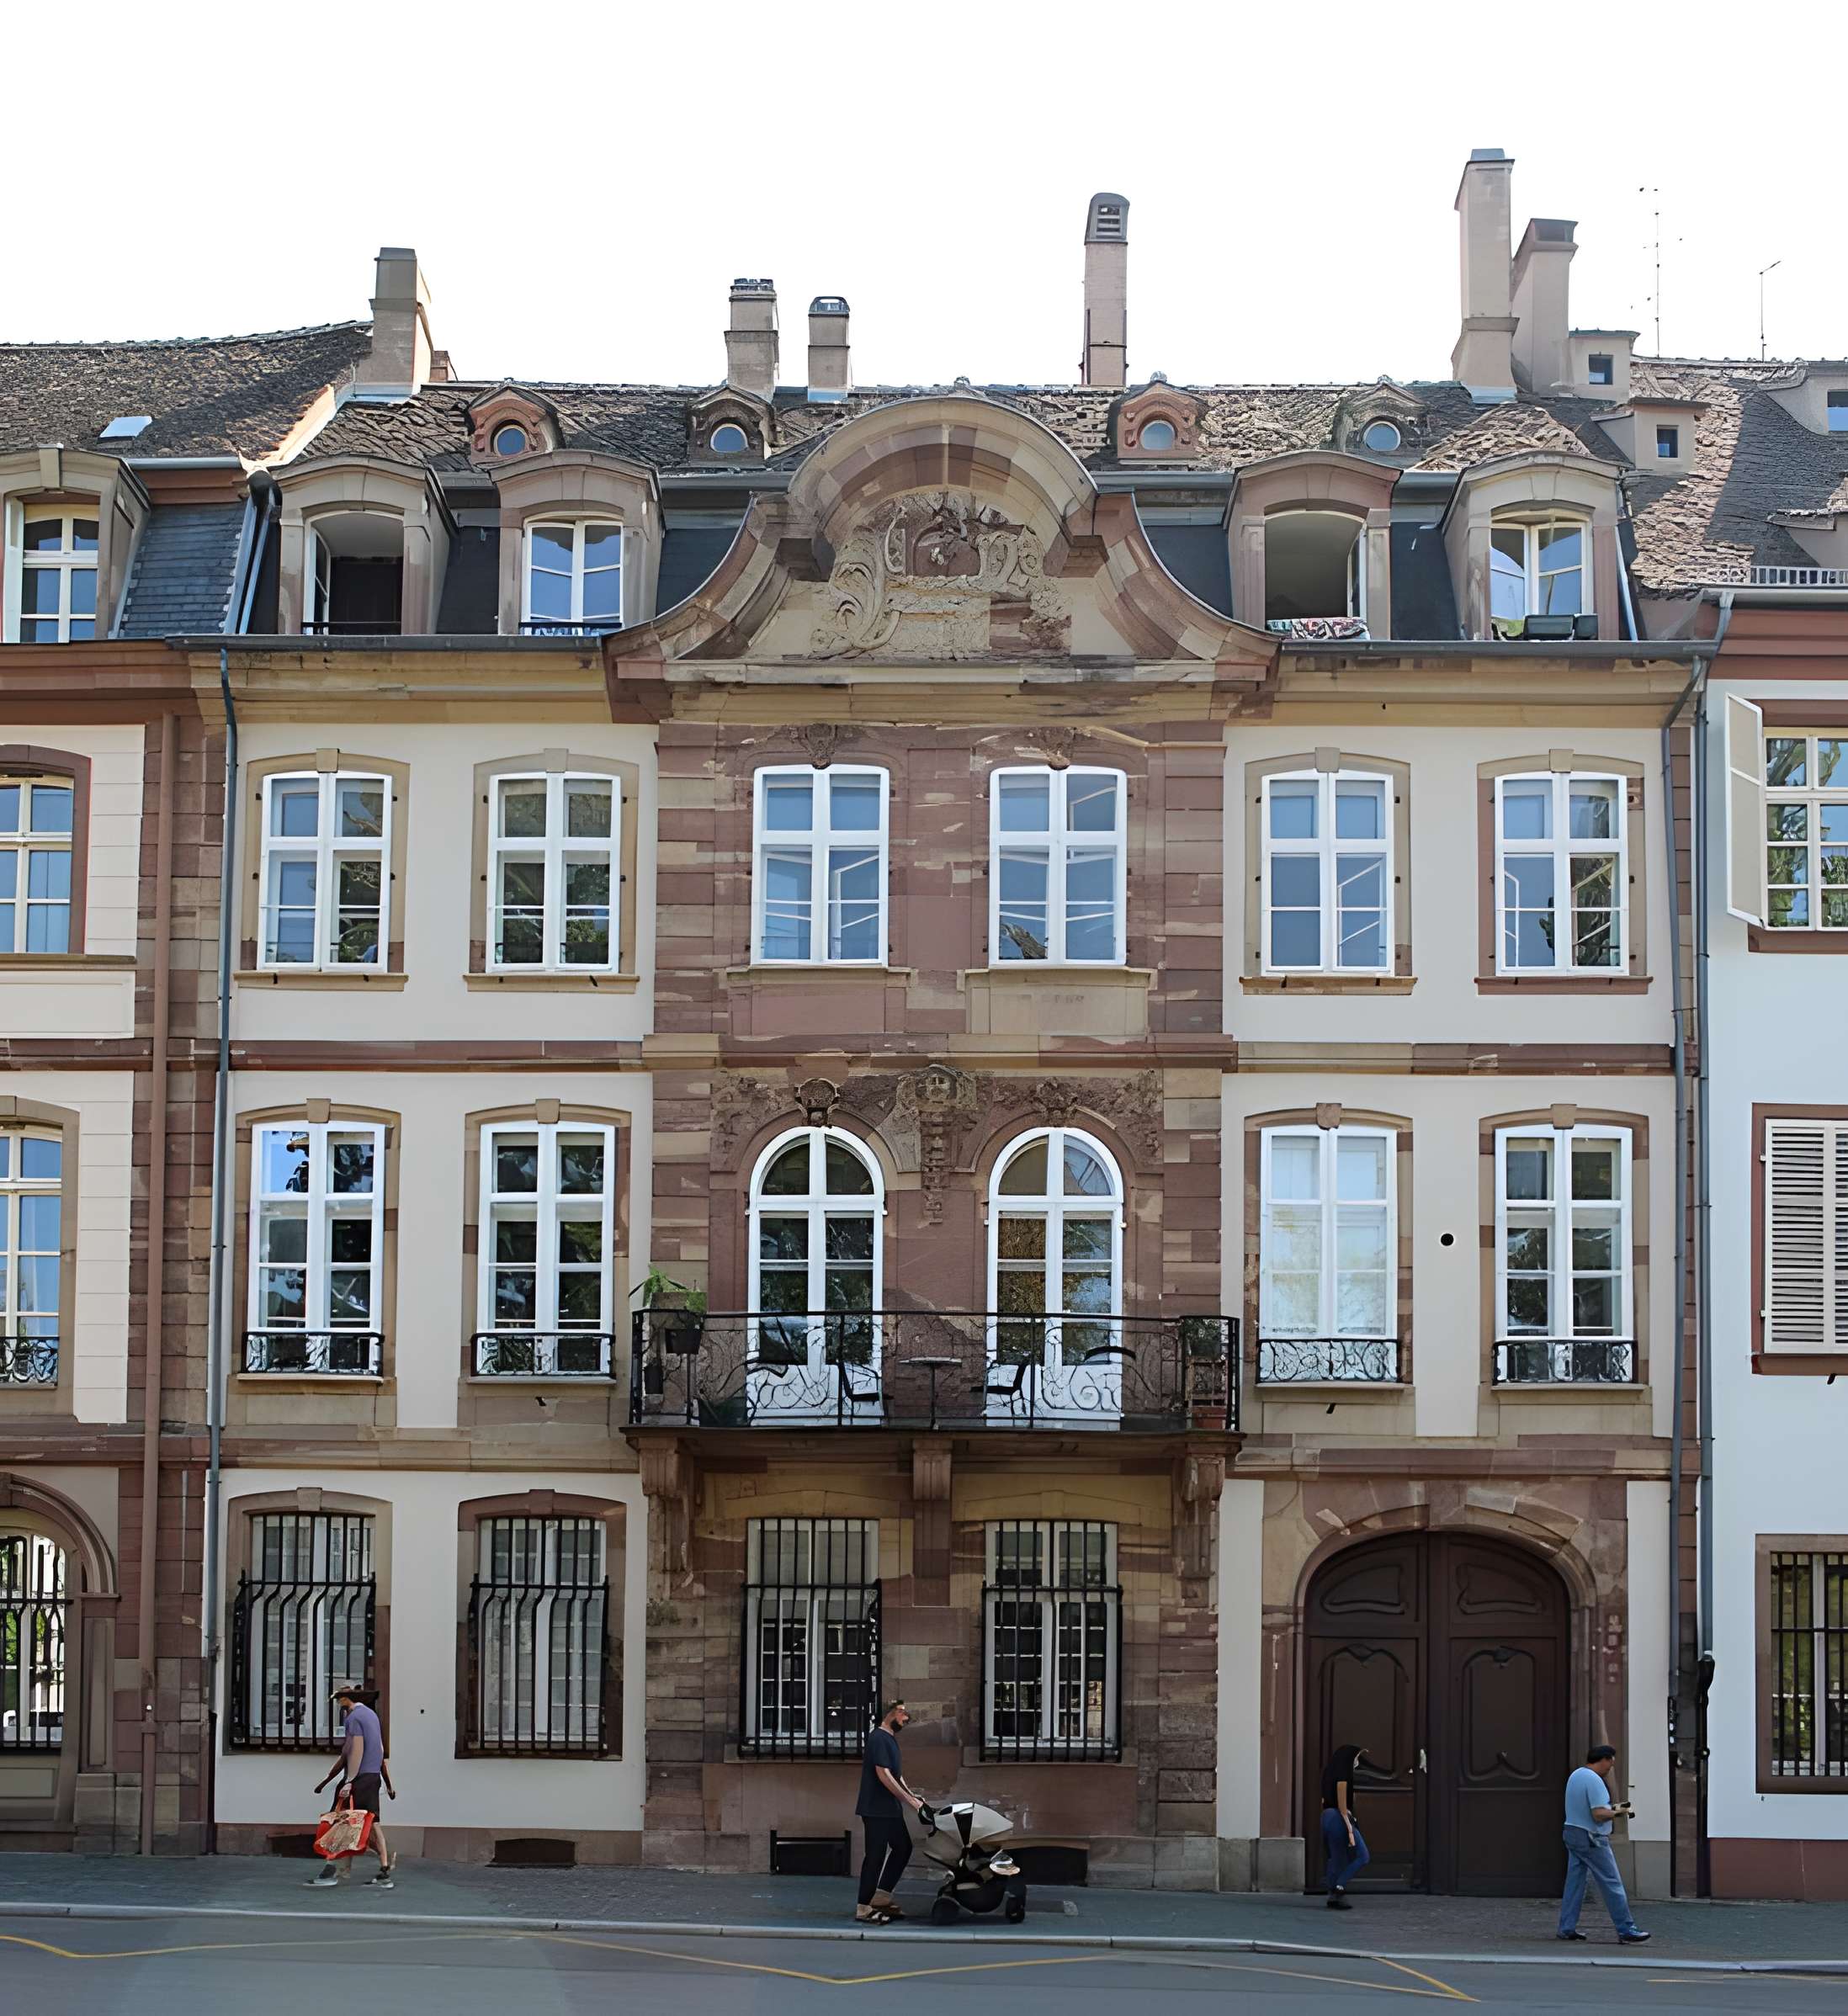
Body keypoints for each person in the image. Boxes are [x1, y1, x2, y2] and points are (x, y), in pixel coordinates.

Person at [1556, 1743, 1649, 1944]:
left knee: (1575, 1883)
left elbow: (1586, 1808)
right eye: (1611, 1764)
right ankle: (1626, 1929)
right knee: (1612, 1882)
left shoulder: (1577, 1776)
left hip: (1572, 1832)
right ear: (1604, 1759)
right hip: (1592, 1838)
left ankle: (1566, 1927)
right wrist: (1620, 1812)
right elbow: (1598, 1814)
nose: (1610, 1768)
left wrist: (1611, 1808)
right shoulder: (1595, 1781)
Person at [309, 1683, 397, 1890]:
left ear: (347, 1699)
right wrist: (388, 1784)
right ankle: (384, 1870)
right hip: (373, 1777)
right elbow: (380, 1753)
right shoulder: (372, 1717)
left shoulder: (353, 1718)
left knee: (340, 1822)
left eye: (340, 1698)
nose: (339, 1702)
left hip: (359, 1778)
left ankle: (333, 1870)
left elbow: (353, 1751)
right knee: (371, 1823)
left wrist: (348, 1781)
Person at [855, 1698, 924, 1924]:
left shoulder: (890, 1740)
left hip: (889, 1809)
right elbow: (883, 1774)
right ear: (890, 1714)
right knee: (874, 1856)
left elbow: (896, 1774)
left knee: (903, 1847)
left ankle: (881, 1898)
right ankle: (863, 1908)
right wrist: (908, 1800)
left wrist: (911, 1796)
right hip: (876, 1809)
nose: (906, 1718)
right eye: (902, 1713)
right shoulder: (878, 1738)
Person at [1320, 1743, 1370, 1908]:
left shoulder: (1329, 1773)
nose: (1357, 1762)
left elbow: (1323, 1801)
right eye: (1356, 1758)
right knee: (1363, 1855)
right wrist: (1349, 1827)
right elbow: (1342, 1805)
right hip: (1338, 1817)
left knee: (1336, 1857)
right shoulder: (1343, 1776)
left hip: (1326, 1816)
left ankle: (1332, 1896)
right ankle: (1339, 1886)